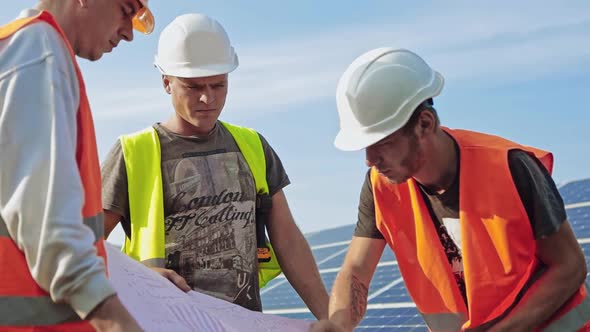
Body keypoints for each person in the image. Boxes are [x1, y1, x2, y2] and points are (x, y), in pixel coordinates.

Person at [311, 48, 590, 332]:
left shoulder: (510, 167)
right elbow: (356, 271)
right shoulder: (380, 186)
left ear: (424, 124)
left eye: (382, 143)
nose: (369, 159)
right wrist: (339, 324)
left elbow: (570, 267)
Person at [101, 13, 329, 318]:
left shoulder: (252, 146)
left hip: (241, 323)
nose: (208, 98)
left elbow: (287, 239)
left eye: (218, 85)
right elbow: (82, 246)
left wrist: (330, 317)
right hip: (165, 323)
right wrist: (140, 279)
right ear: (167, 82)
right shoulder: (133, 153)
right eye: (193, 87)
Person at [0, 0, 155, 331]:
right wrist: (117, 324)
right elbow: (49, 228)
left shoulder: (23, 52)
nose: (129, 33)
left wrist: (142, 277)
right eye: (127, 10)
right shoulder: (38, 52)